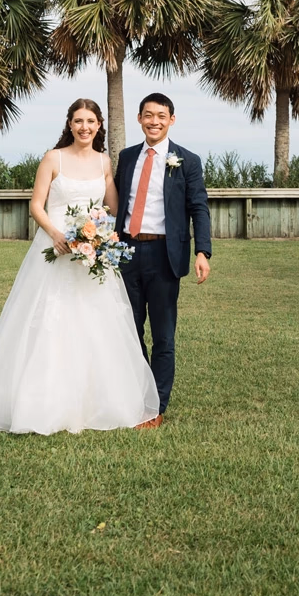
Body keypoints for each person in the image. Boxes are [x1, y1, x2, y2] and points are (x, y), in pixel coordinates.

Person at [0, 98, 159, 435]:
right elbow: (36, 204)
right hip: (53, 251)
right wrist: (56, 234)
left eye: (91, 122)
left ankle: (97, 401)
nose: (84, 127)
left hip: (90, 256)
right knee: (45, 322)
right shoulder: (53, 158)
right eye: (78, 121)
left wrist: (95, 235)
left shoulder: (104, 162)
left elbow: (111, 209)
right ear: (70, 124)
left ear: (99, 126)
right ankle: (35, 401)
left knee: (96, 325)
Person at [114, 93, 212, 429]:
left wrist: (203, 251)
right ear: (139, 119)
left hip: (164, 255)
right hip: (125, 253)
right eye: (148, 115)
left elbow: (198, 207)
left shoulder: (187, 160)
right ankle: (137, 395)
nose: (154, 121)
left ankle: (156, 407)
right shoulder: (126, 158)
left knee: (164, 335)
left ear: (172, 120)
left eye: (161, 115)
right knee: (129, 331)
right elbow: (115, 204)